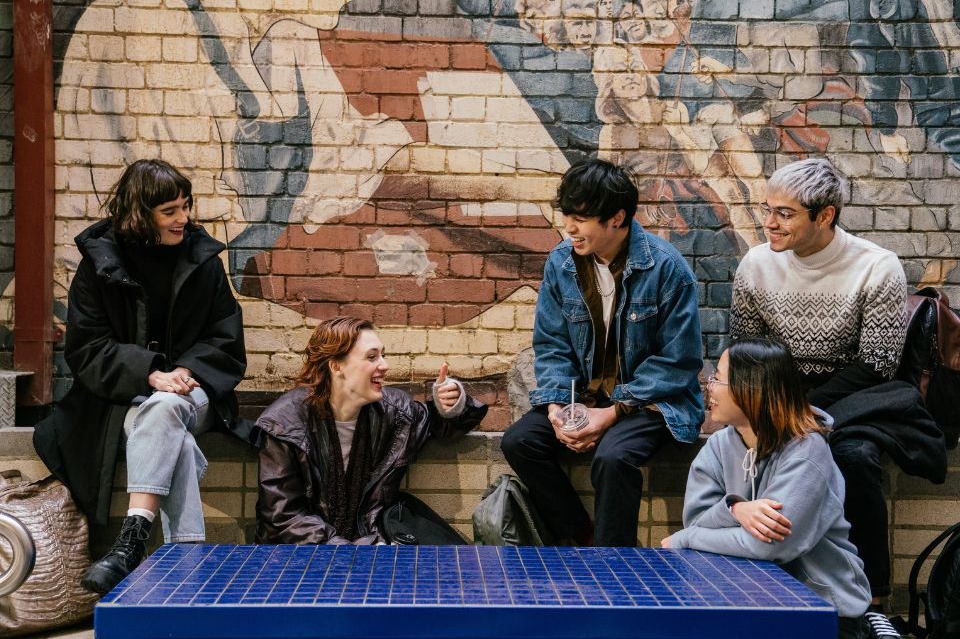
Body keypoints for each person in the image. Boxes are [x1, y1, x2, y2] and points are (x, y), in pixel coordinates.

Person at [729, 157, 946, 636]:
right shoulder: (757, 264)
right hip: (780, 392)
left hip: (860, 395)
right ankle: (762, 589)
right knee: (746, 453)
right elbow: (745, 349)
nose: (768, 222)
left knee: (854, 457)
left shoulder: (876, 266)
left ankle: (872, 601)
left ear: (824, 215)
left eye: (784, 213)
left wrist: (808, 410)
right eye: (768, 209)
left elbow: (877, 363)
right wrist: (782, 408)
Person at [33, 159, 248, 593]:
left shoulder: (201, 259)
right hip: (123, 400)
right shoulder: (100, 265)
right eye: (170, 211)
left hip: (196, 392)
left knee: (169, 406)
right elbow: (86, 347)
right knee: (173, 435)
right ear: (139, 213)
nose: (183, 219)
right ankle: (188, 569)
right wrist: (151, 374)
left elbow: (226, 337)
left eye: (186, 206)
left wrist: (183, 371)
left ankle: (131, 537)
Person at [501, 158, 704, 547]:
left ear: (617, 218)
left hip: (653, 402)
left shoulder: (666, 268)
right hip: (586, 396)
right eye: (567, 216)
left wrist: (611, 413)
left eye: (581, 218)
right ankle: (582, 539)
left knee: (613, 458)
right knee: (519, 441)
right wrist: (558, 408)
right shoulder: (561, 262)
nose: (569, 228)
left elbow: (679, 362)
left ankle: (615, 566)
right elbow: (552, 344)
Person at [661, 337, 872, 639]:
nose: (709, 386)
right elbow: (696, 518)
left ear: (751, 388)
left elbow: (770, 545)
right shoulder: (719, 446)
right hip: (751, 602)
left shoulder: (807, 451)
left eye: (718, 379)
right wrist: (736, 508)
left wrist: (687, 539)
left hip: (824, 610)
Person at [255, 316, 487, 544]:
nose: (384, 365)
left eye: (383, 355)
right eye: (372, 357)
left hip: (375, 544)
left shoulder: (395, 411)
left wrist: (450, 402)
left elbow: (444, 424)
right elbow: (282, 518)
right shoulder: (284, 424)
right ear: (336, 366)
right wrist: (348, 551)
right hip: (305, 559)